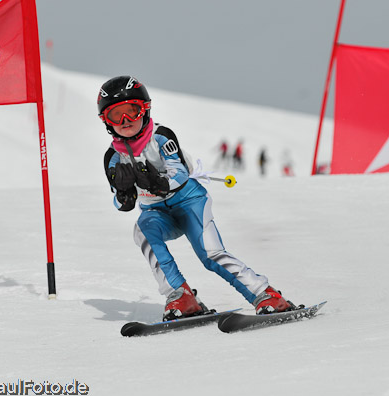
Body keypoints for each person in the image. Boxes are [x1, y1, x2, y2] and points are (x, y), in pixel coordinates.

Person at [98, 76, 295, 321]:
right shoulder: (113, 157)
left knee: (209, 255)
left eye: (132, 112)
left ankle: (266, 295)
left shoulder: (161, 136)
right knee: (142, 230)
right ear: (106, 122)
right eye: (116, 116)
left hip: (188, 201)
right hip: (157, 213)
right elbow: (118, 202)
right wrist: (124, 195)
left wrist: (158, 183)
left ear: (145, 110)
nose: (125, 121)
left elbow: (179, 173)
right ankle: (180, 294)